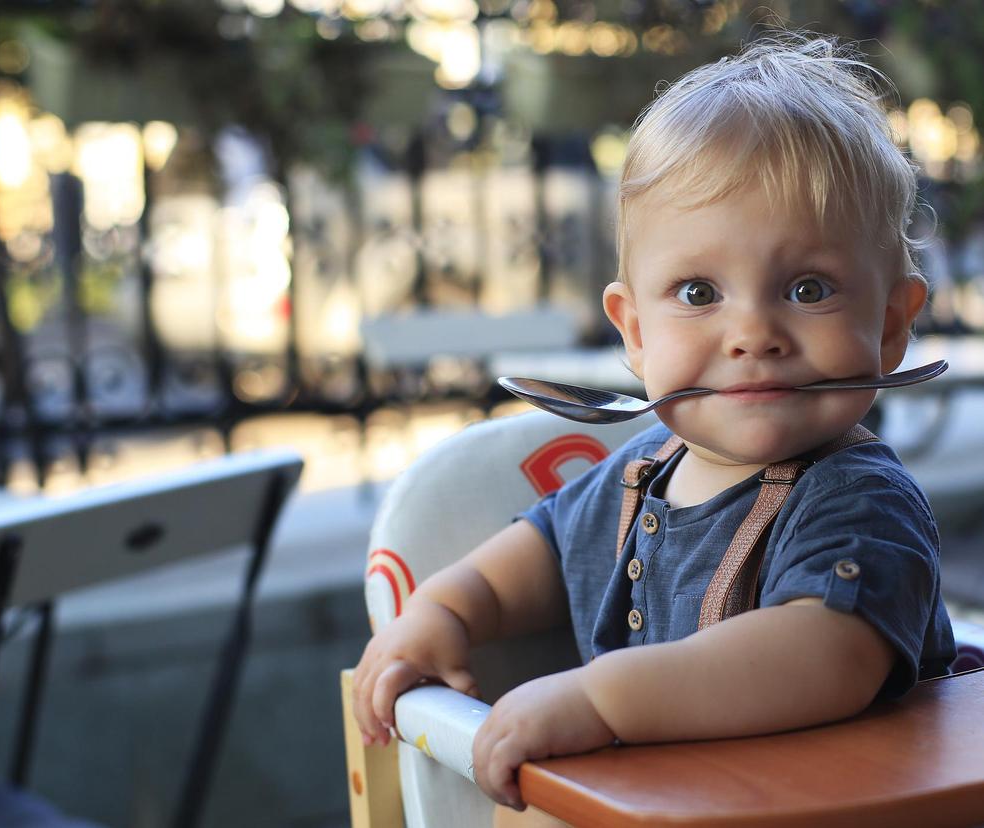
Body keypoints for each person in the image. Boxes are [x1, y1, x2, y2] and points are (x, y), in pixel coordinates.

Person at [351, 32, 957, 823]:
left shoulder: (857, 501)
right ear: (634, 333)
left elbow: (824, 656)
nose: (753, 333)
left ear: (888, 327)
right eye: (700, 292)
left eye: (808, 289)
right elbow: (528, 559)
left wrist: (600, 700)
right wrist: (442, 614)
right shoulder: (641, 472)